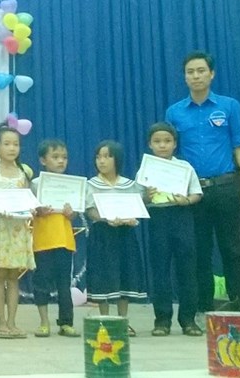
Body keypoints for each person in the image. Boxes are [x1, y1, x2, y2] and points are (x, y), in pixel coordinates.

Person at [165, 51, 240, 314]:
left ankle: (239, 306)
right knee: (198, 252)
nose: (196, 76)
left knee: (232, 248)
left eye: (201, 70)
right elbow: (169, 152)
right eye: (190, 72)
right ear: (185, 77)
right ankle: (203, 308)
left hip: (225, 187)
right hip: (194, 192)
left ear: (212, 74)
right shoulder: (175, 112)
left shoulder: (229, 106)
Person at [137, 122, 203, 336]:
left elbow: (197, 193)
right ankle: (162, 321)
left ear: (175, 144)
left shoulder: (185, 167)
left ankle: (188, 320)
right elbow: (138, 199)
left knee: (187, 269)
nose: (162, 145)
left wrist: (187, 200)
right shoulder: (146, 169)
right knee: (160, 270)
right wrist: (147, 197)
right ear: (150, 144)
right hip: (158, 218)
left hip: (181, 216)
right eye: (157, 141)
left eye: (167, 141)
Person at [85, 140, 147, 337]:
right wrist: (105, 218)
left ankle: (122, 321)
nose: (102, 161)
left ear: (117, 159)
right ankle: (105, 320)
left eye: (107, 156)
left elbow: (136, 208)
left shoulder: (129, 185)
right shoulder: (90, 185)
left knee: (124, 275)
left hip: (124, 236)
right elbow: (90, 210)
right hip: (102, 236)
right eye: (98, 157)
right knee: (103, 276)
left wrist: (131, 218)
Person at [0, 123, 36, 339]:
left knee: (14, 277)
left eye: (16, 144)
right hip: (0, 227)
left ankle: (12, 322)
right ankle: (0, 323)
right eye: (7, 144)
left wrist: (31, 207)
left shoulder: (24, 172)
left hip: (18, 228)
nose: (12, 148)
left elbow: (28, 198)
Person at [30, 139, 80, 338]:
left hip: (64, 240)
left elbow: (75, 214)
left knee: (64, 285)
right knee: (41, 282)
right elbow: (30, 209)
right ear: (43, 160)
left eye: (64, 157)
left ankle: (66, 323)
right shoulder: (35, 184)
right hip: (43, 240)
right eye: (55, 157)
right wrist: (38, 210)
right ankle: (44, 322)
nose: (61, 161)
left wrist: (71, 213)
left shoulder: (71, 185)